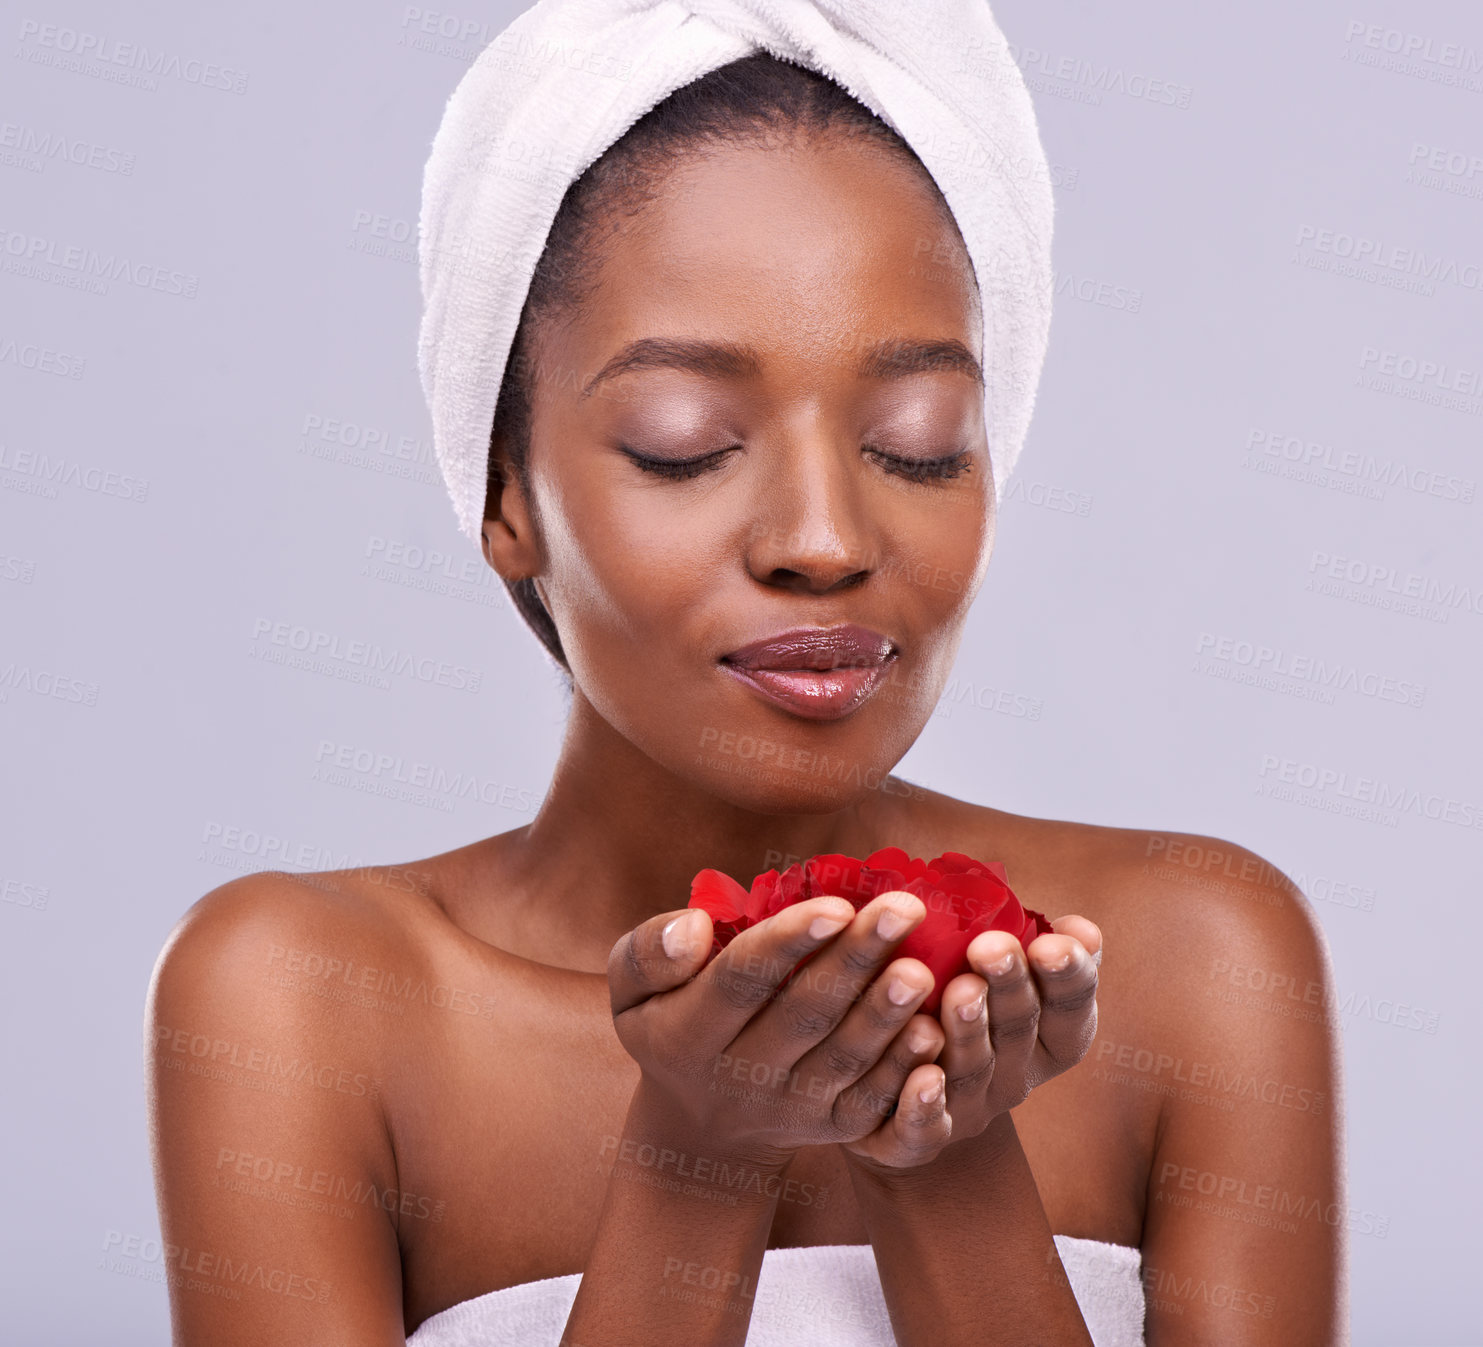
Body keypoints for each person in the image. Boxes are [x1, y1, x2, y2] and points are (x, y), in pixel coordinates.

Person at [145, 32, 1346, 1347]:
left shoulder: (1199, 962)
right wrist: (694, 1158)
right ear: (506, 499)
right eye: (686, 447)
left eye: (918, 446)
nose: (824, 541)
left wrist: (939, 1147)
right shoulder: (303, 1004)